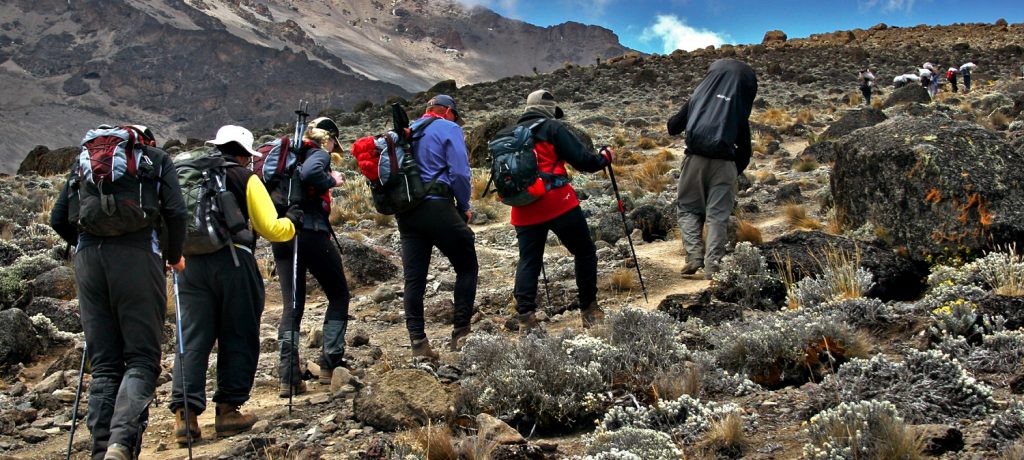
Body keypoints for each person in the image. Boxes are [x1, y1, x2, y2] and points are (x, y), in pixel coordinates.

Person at [50, 125, 187, 460]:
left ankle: (100, 451)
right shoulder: (156, 159)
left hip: (89, 261)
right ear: (143, 141)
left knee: (106, 364)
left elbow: (57, 218)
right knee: (141, 358)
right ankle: (120, 444)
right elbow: (176, 211)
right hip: (137, 256)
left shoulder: (82, 163)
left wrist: (84, 246)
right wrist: (173, 256)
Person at [168, 126, 299, 445]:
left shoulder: (190, 173)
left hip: (189, 264)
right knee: (238, 333)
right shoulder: (244, 177)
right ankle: (227, 411)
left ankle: (185, 418)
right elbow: (271, 228)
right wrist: (293, 219)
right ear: (245, 153)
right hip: (235, 263)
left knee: (193, 337)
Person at [502, 89, 612, 331]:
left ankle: (526, 318)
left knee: (529, 260)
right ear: (549, 110)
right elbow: (584, 161)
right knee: (584, 251)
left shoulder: (508, 134)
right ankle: (589, 310)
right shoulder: (552, 128)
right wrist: (605, 158)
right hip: (557, 202)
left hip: (522, 207)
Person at [395, 95, 479, 358]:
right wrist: (464, 205)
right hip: (437, 207)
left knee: (414, 278)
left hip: (406, 212)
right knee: (467, 266)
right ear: (449, 112)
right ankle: (461, 335)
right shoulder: (449, 128)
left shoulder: (406, 133)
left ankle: (419, 344)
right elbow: (460, 173)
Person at [273, 117, 351, 396]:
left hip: (283, 235)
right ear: (328, 139)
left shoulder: (286, 157)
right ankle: (330, 365)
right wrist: (333, 179)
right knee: (339, 294)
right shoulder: (318, 153)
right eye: (334, 143)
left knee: (292, 306)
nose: (334, 149)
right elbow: (311, 174)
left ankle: (288, 377)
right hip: (312, 232)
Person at [667, 59, 758, 280]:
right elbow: (745, 150)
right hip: (725, 163)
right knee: (718, 216)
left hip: (694, 161)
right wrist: (731, 172)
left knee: (688, 209)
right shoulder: (737, 107)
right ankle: (713, 267)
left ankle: (694, 257)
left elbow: (672, 127)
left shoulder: (699, 97)